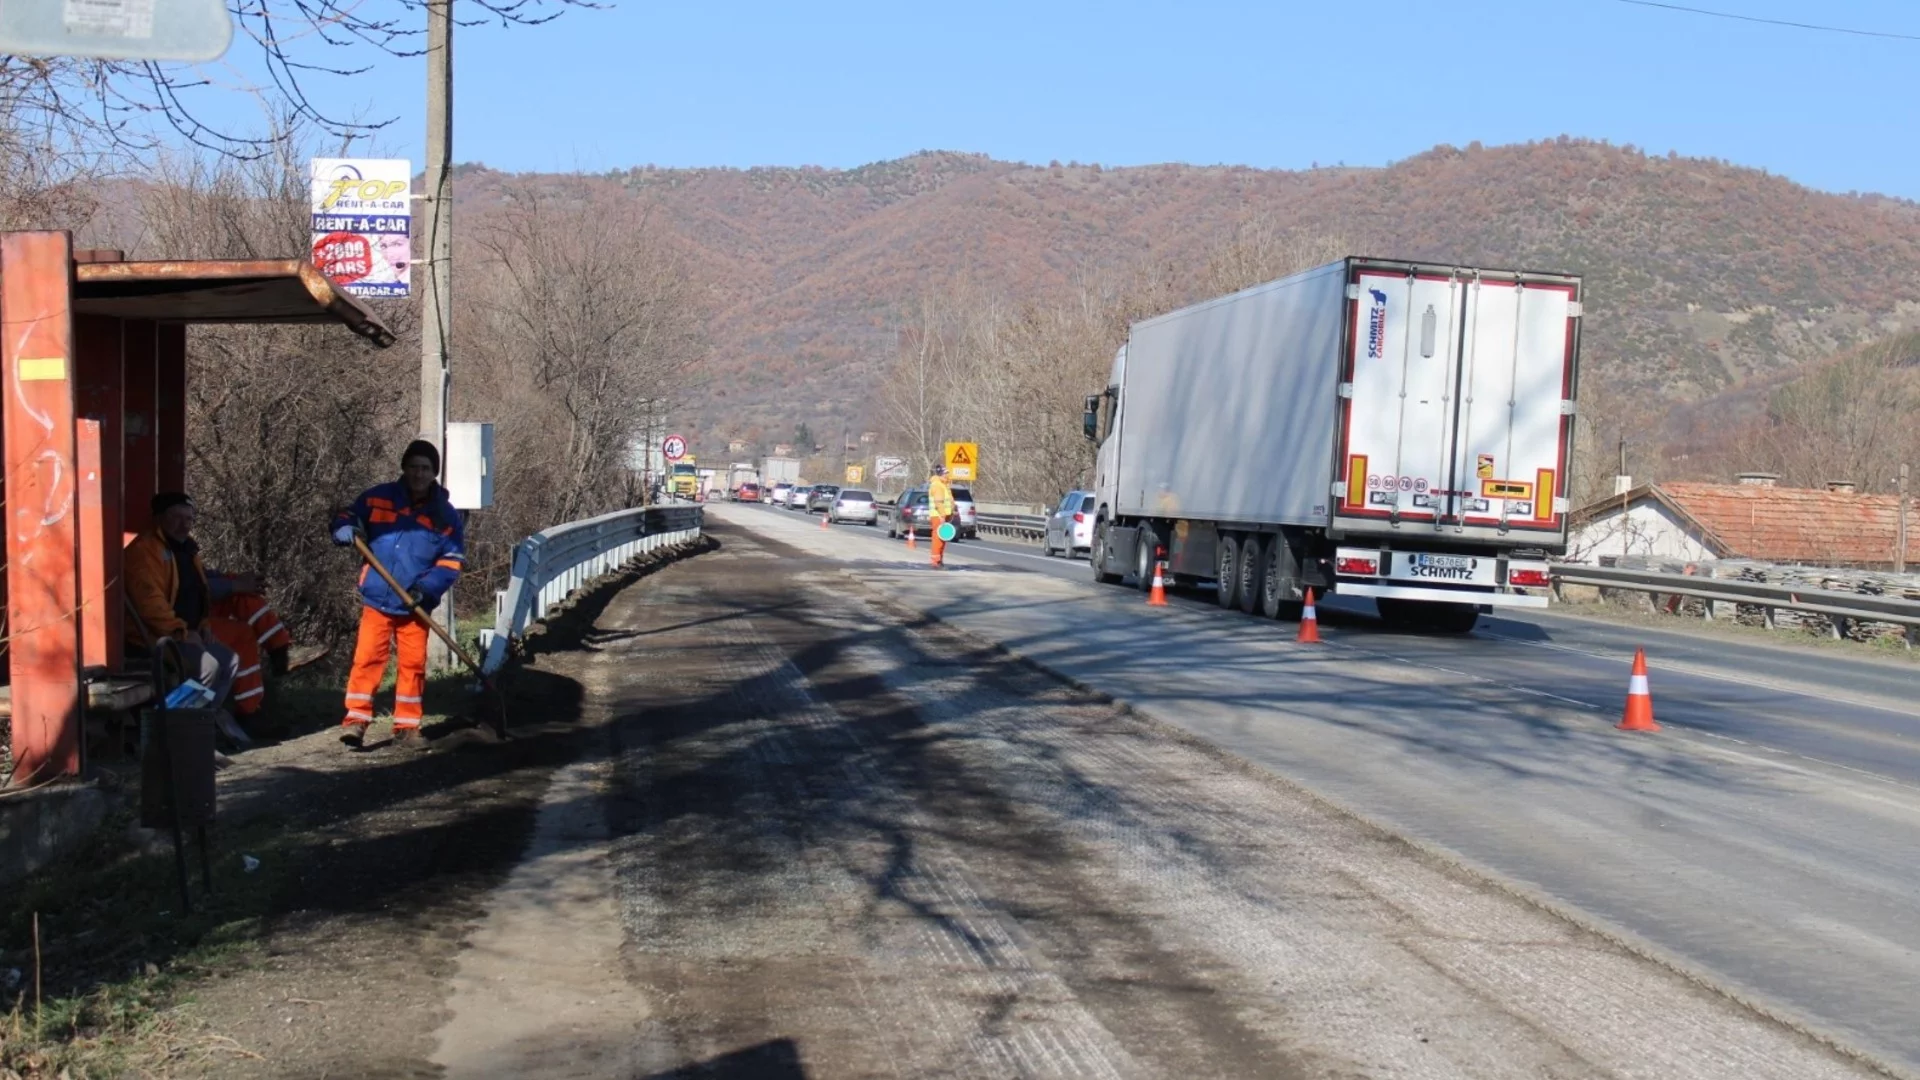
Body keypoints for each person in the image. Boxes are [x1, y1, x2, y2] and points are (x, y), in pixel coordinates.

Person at [331, 439, 465, 749]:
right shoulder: (378, 498)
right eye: (414, 467)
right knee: (367, 659)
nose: (419, 474)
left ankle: (407, 725)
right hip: (377, 596)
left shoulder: (444, 516)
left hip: (415, 603)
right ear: (404, 468)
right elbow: (346, 517)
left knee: (413, 664)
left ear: (435, 474)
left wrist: (426, 589)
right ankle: (356, 720)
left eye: (426, 469)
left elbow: (451, 561)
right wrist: (344, 529)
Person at [124, 492, 254, 746]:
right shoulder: (144, 552)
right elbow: (150, 606)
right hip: (154, 637)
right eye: (176, 518)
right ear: (159, 518)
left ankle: (197, 728)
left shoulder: (187, 549)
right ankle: (167, 736)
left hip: (184, 632)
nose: (184, 525)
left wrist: (202, 625)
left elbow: (198, 593)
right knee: (208, 668)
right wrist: (181, 632)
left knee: (229, 660)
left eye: (189, 519)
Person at [927, 464, 956, 569]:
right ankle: (936, 562)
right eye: (946, 473)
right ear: (942, 474)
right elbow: (938, 502)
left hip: (943, 515)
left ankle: (939, 560)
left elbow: (948, 501)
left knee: (942, 538)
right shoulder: (937, 485)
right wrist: (943, 516)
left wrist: (952, 511)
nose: (948, 475)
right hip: (938, 516)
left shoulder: (943, 485)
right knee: (938, 538)